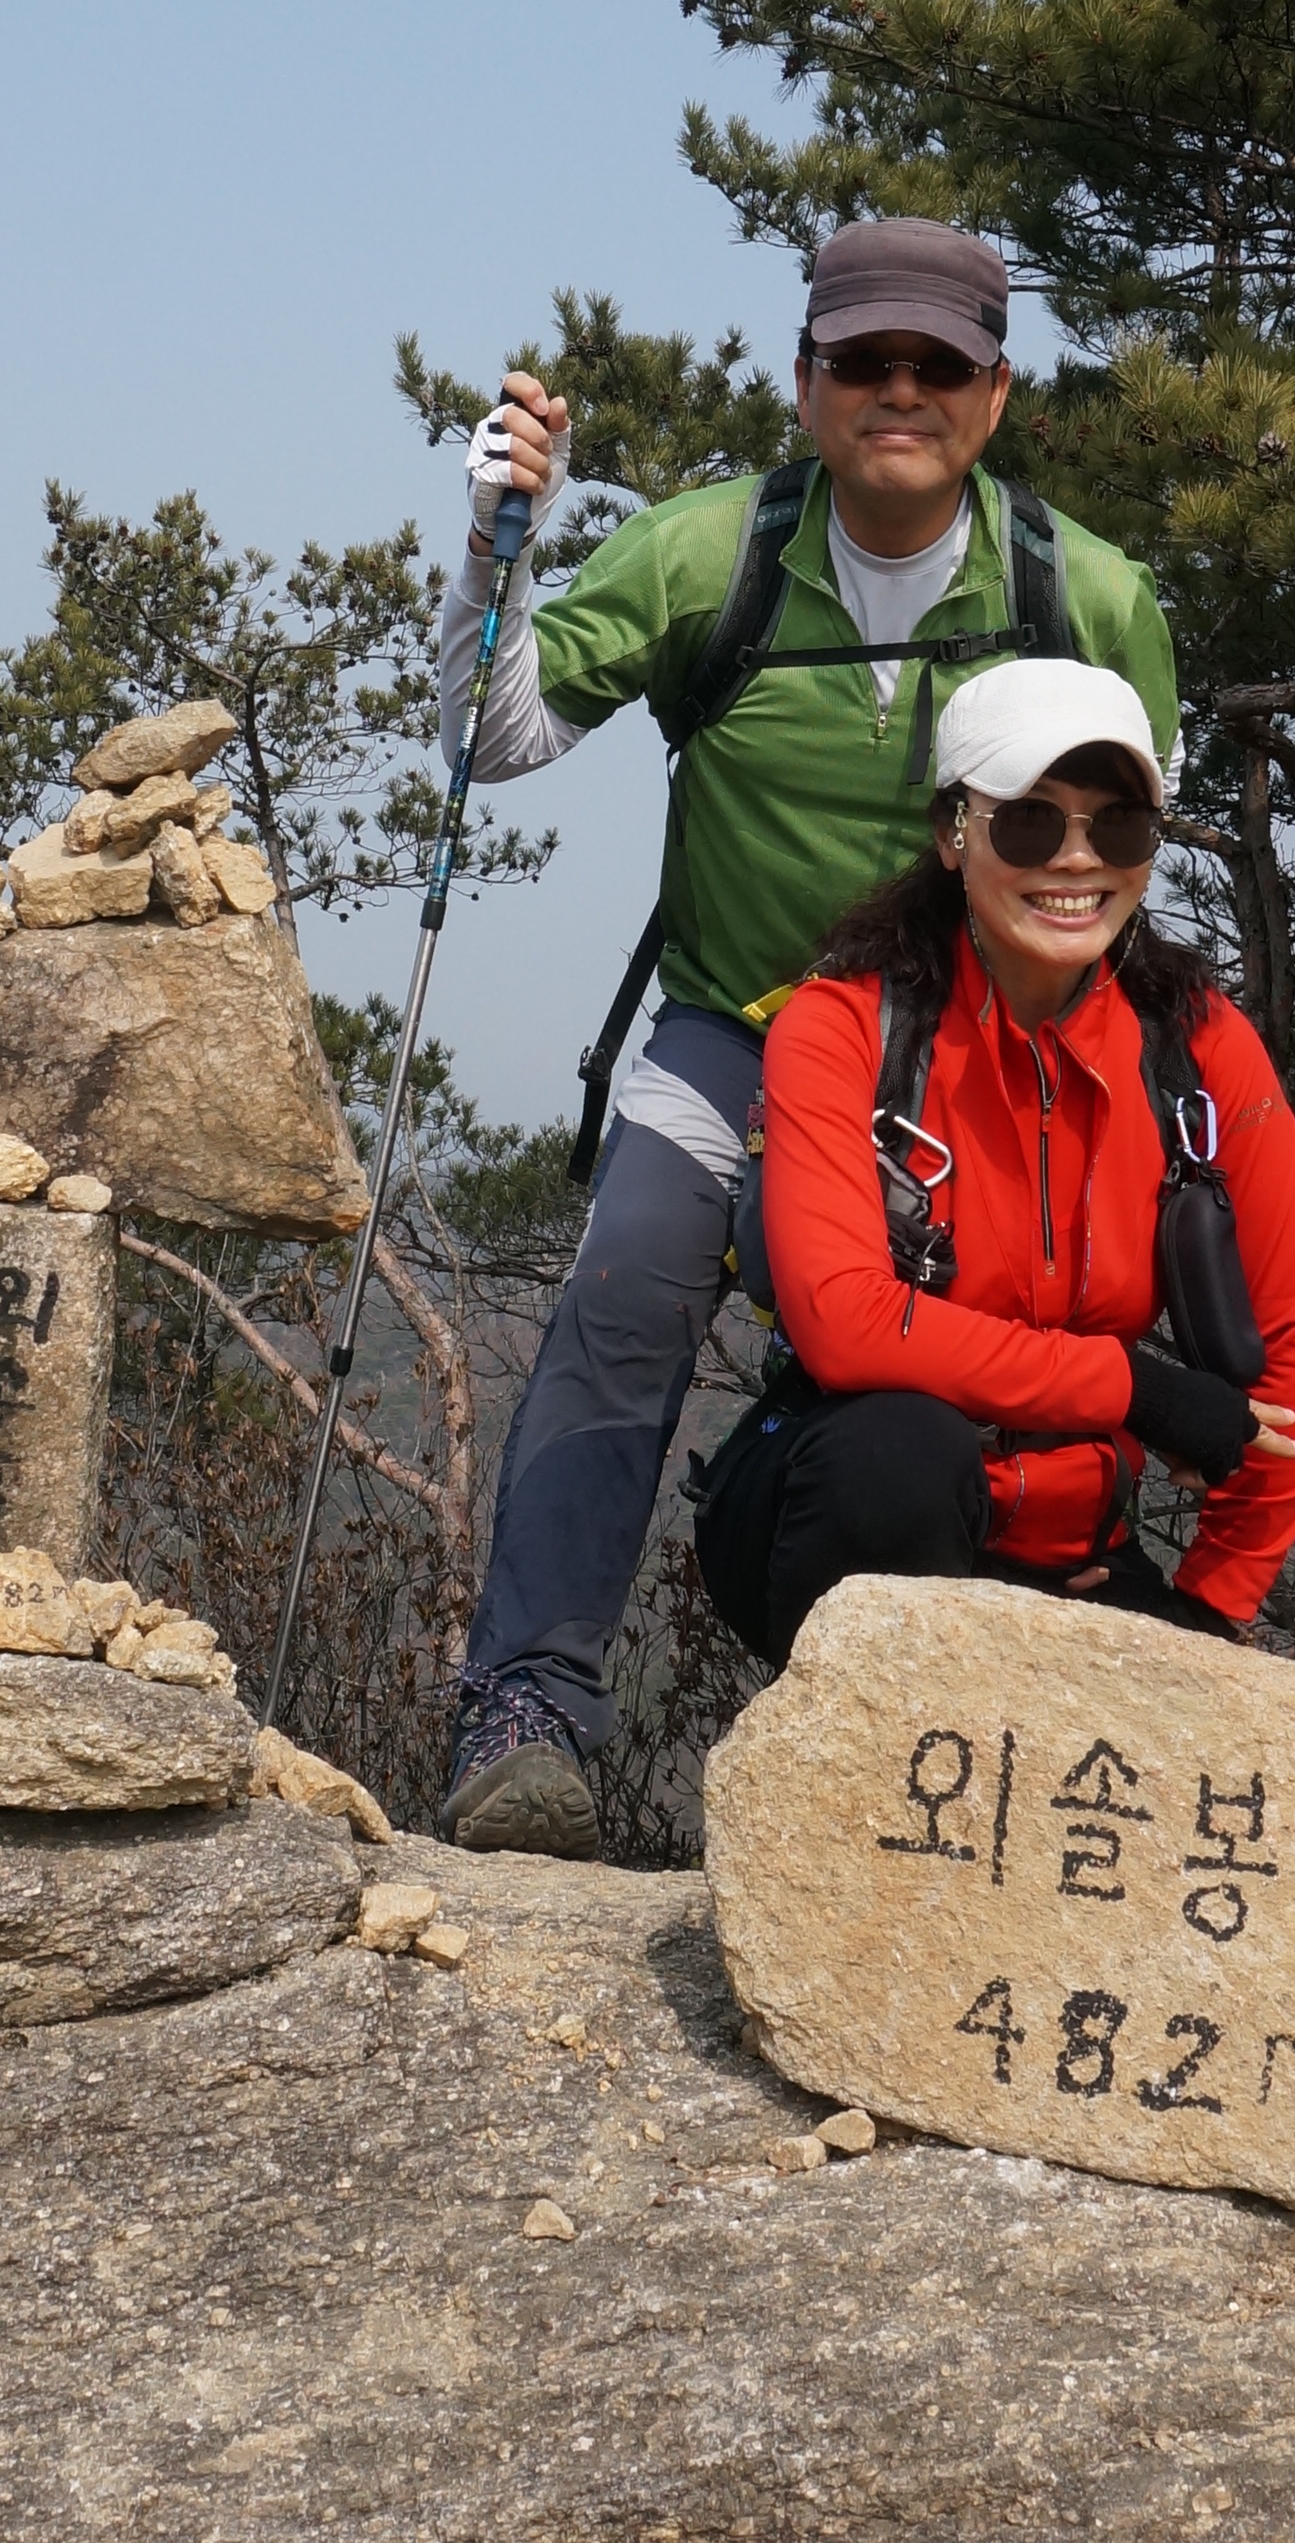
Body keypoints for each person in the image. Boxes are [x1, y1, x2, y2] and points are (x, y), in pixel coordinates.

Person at [437, 218, 1181, 1855]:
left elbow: (1114, 867)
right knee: (624, 1295)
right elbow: (495, 740)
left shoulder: (1084, 595)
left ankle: (979, 1739)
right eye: (865, 361)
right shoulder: (709, 558)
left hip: (967, 1060)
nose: (900, 391)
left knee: (948, 1384)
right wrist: (498, 549)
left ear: (995, 392)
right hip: (734, 1042)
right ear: (806, 382)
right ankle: (525, 1708)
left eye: (938, 363)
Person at [693, 654, 1295, 1663]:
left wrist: (1212, 1601)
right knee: (903, 1453)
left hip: (1078, 1546)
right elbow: (848, 1327)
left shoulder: (1199, 1045)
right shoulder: (841, 1028)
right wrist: (1135, 1387)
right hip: (847, 1507)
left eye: (1117, 825)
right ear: (952, 834)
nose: (1077, 860)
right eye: (1030, 822)